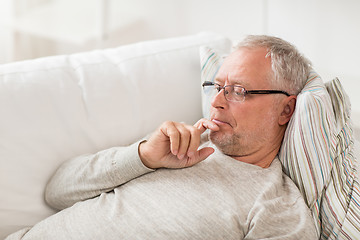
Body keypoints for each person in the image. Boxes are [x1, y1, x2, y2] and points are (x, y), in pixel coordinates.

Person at [6, 35, 318, 239]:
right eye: (217, 86)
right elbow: (56, 191)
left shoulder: (277, 208)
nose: (217, 102)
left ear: (285, 110)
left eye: (239, 91)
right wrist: (142, 158)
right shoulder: (175, 145)